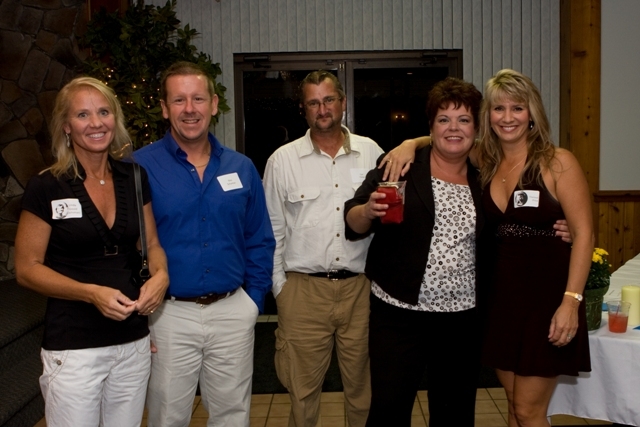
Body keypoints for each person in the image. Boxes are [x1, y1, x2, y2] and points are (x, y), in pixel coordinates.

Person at [15, 76, 169, 427]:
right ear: (66, 126)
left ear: (115, 119)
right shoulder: (46, 186)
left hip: (132, 342)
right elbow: (26, 268)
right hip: (74, 348)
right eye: (83, 115)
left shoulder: (134, 177)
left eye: (103, 112)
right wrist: (90, 293)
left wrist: (161, 276)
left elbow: (152, 245)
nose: (96, 123)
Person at [133, 61, 275, 427]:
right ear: (164, 108)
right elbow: (128, 242)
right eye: (179, 100)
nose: (190, 109)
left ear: (214, 104)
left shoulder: (241, 168)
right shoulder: (138, 168)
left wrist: (252, 301)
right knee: (167, 415)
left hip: (232, 310)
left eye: (198, 98)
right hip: (168, 315)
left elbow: (260, 239)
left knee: (232, 414)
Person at [344, 77, 484, 427]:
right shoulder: (401, 165)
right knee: (389, 411)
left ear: (476, 127)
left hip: (462, 319)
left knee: (455, 415)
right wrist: (368, 212)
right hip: (398, 313)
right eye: (443, 119)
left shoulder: (488, 174)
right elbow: (352, 221)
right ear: (431, 125)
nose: (453, 128)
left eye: (463, 119)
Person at [262, 70, 383, 427]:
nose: (323, 108)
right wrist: (280, 289)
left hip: (360, 290)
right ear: (304, 110)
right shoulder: (282, 161)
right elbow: (272, 231)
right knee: (302, 394)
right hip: (303, 292)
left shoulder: (371, 152)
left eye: (329, 100)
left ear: (343, 103)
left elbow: (387, 221)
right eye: (314, 103)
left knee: (364, 391)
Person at [477, 69, 592, 427]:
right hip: (502, 302)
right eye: (498, 109)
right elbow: (443, 136)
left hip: (546, 303)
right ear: (488, 116)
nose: (507, 117)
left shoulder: (557, 162)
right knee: (513, 406)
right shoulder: (486, 162)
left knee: (529, 411)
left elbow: (585, 235)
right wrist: (408, 144)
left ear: (532, 114)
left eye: (517, 108)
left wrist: (570, 303)